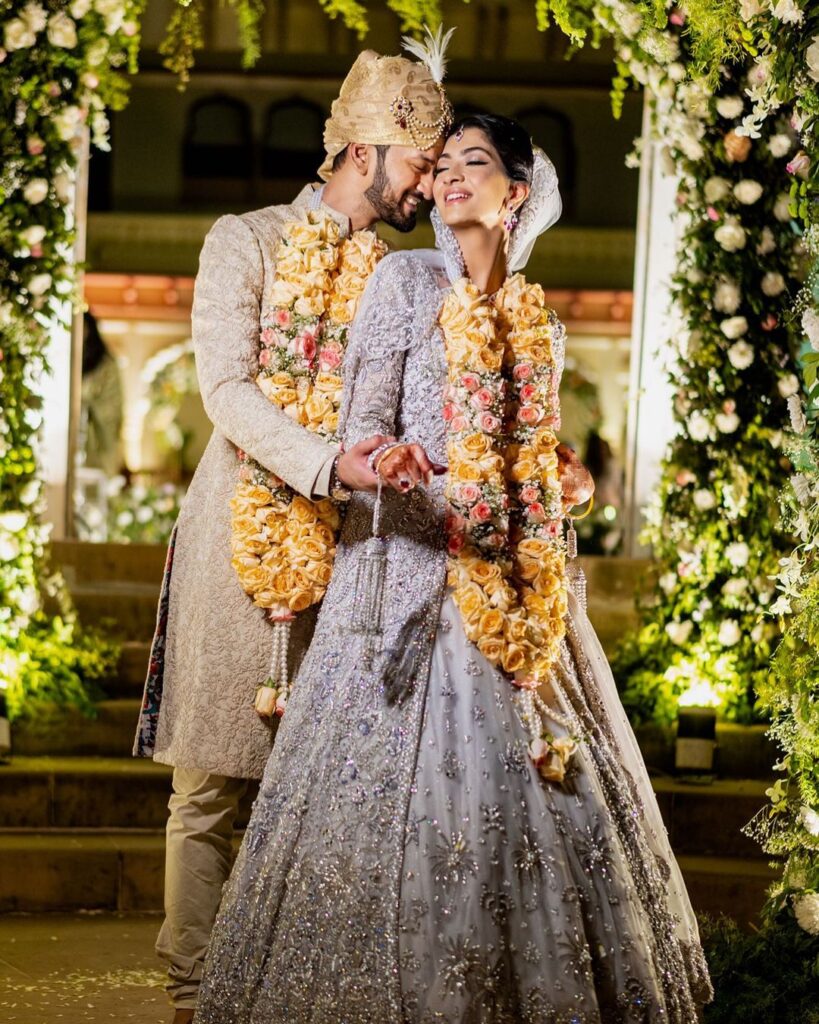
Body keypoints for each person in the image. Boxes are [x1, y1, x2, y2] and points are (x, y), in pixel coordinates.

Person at [194, 115, 713, 1023]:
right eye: (444, 167)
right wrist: (383, 458)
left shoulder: (535, 318)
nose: (450, 179)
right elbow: (364, 419)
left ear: (516, 193)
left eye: (475, 164)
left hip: (510, 578)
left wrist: (569, 477)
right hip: (404, 570)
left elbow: (531, 452)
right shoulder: (401, 282)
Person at [133, 40, 457, 1024]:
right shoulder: (248, 240)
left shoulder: (404, 275)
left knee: (326, 791)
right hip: (241, 535)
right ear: (364, 152)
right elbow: (224, 387)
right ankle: (194, 998)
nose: (428, 184)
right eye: (418, 165)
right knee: (209, 789)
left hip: (359, 554)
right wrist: (326, 462)